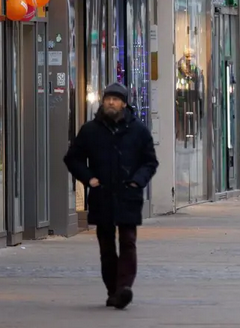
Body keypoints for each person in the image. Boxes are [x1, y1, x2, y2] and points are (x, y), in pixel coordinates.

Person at [64, 83, 159, 310]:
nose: (111, 103)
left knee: (128, 241)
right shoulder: (90, 130)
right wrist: (89, 179)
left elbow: (150, 161)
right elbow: (73, 158)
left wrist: (137, 180)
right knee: (106, 246)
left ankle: (124, 287)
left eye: (116, 99)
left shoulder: (138, 131)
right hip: (102, 194)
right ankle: (112, 289)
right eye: (108, 99)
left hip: (128, 194)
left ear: (124, 103)